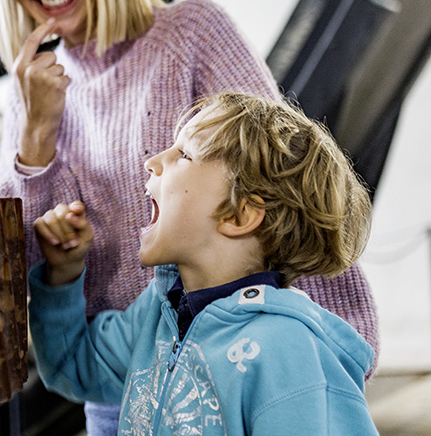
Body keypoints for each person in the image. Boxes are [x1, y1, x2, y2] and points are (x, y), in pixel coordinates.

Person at [0, 0, 378, 435]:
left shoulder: (193, 34)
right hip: (128, 378)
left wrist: (336, 345)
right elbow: (10, 260)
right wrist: (36, 136)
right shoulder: (30, 92)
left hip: (243, 366)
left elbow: (284, 180)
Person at [29, 92, 378, 434]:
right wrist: (63, 274)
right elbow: (73, 364)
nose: (152, 162)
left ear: (240, 214)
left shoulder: (288, 352)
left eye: (184, 154)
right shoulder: (158, 315)